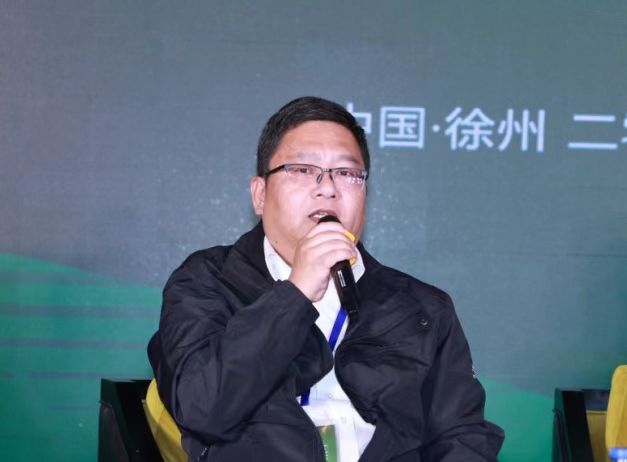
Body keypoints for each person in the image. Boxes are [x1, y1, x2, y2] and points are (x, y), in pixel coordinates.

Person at [148, 96, 504, 462]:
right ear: (260, 194)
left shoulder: (421, 308)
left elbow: (461, 436)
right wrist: (295, 293)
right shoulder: (208, 282)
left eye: (347, 173)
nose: (328, 188)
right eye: (303, 170)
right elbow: (203, 407)